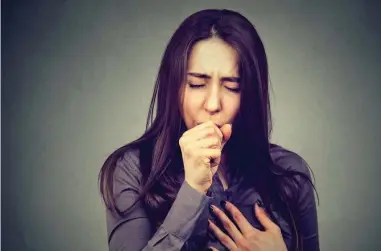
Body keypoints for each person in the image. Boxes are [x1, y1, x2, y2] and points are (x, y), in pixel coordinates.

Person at [98, 9, 319, 251]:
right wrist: (192, 189)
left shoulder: (289, 175)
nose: (213, 104)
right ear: (174, 87)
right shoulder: (134, 169)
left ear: (250, 94)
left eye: (232, 87)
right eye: (197, 84)